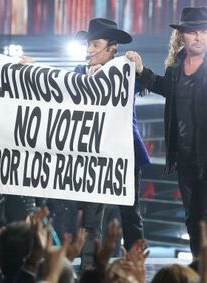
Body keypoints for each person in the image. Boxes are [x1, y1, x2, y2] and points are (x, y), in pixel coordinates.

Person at [128, 6, 207, 259]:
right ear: (181, 36)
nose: (198, 37)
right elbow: (164, 87)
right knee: (193, 221)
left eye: (203, 31)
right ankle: (199, 270)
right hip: (185, 158)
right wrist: (141, 71)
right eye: (192, 32)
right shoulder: (176, 68)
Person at [49, 18, 150, 269]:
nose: (89, 50)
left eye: (95, 44)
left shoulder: (124, 70)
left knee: (130, 213)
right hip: (93, 156)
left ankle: (136, 264)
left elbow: (144, 86)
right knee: (92, 218)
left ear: (112, 47)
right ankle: (90, 268)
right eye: (88, 45)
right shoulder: (78, 73)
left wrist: (138, 69)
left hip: (125, 154)